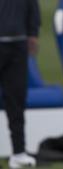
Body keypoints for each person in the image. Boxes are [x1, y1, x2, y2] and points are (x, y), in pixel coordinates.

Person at [0, 0, 40, 168]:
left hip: (18, 45)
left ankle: (18, 152)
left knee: (16, 99)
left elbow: (32, 5)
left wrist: (32, 32)